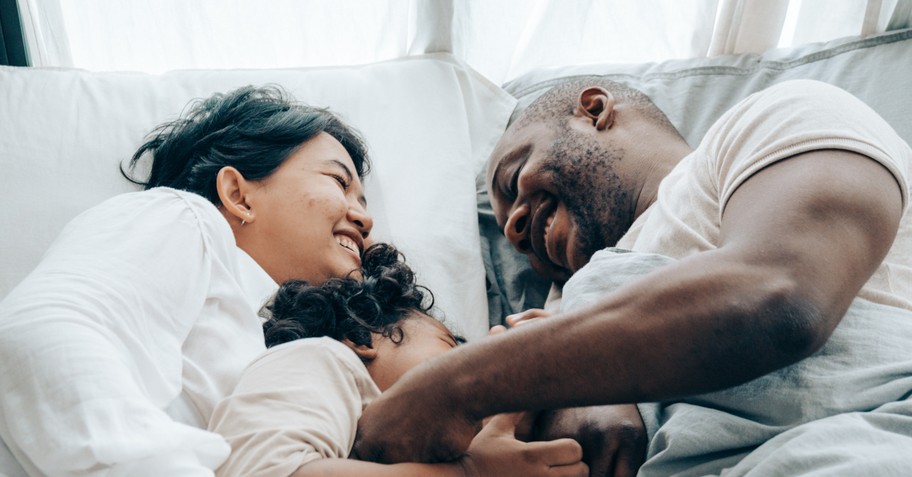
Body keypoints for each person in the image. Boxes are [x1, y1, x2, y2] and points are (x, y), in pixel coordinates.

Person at [352, 77, 912, 476]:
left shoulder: (776, 119)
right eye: (513, 239)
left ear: (593, 109)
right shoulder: (565, 309)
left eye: (513, 177)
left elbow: (778, 296)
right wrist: (584, 386)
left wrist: (456, 386)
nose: (518, 227)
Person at [0, 85, 375, 476]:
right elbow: (41, 333)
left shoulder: (278, 341)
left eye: (365, 204)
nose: (366, 221)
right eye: (339, 182)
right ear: (237, 195)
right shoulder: (184, 219)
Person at [209, 242, 588, 477]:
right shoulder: (322, 358)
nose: (467, 366)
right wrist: (471, 471)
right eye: (452, 349)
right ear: (361, 337)